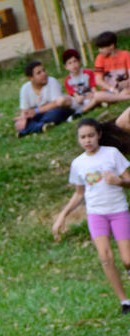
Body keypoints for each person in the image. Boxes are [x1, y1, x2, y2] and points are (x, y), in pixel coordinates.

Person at [52, 118, 130, 314]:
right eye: (83, 137)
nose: (87, 140)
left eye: (91, 136)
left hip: (118, 211)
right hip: (96, 214)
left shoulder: (112, 154)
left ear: (99, 135)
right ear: (79, 140)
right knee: (105, 257)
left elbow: (128, 180)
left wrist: (119, 182)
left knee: (127, 259)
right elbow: (79, 193)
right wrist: (63, 215)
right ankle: (124, 301)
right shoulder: (78, 163)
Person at [14, 61, 72, 136]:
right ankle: (42, 127)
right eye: (39, 73)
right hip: (38, 115)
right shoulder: (25, 88)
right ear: (31, 78)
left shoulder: (52, 82)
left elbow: (57, 103)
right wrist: (23, 118)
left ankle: (30, 129)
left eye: (44, 70)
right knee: (18, 122)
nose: (44, 74)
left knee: (55, 113)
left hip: (54, 111)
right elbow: (25, 110)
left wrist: (36, 111)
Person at [93, 31, 130, 101]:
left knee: (127, 90)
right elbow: (99, 80)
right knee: (97, 95)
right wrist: (113, 89)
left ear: (111, 46)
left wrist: (128, 81)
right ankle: (124, 97)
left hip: (126, 88)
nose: (99, 51)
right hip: (109, 90)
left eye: (102, 48)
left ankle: (115, 98)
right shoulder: (100, 58)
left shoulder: (126, 55)